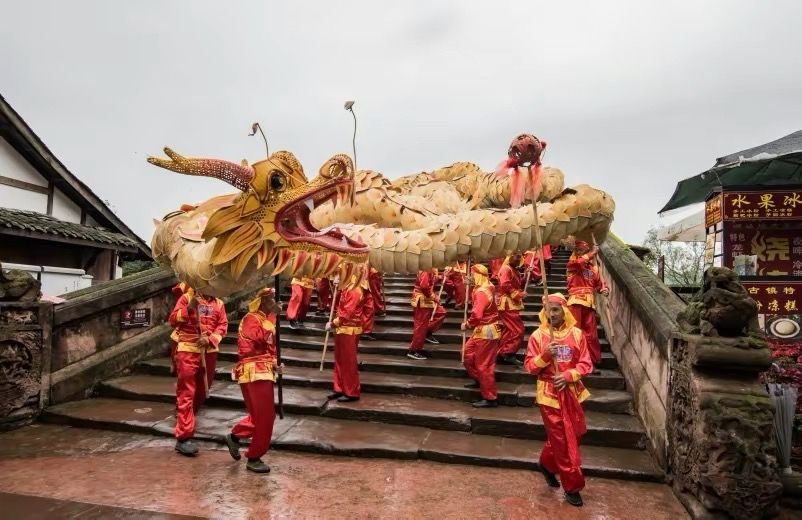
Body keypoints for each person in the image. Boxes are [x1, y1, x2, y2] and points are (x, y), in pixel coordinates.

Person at [524, 293, 592, 507]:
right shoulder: (538, 336)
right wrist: (545, 355)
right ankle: (572, 486)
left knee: (576, 433)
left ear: (564, 311)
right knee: (563, 440)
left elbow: (585, 364)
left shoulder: (578, 334)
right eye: (548, 309)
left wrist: (569, 375)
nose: (551, 314)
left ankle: (545, 463)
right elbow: (530, 367)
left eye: (556, 309)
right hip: (549, 396)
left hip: (572, 392)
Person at [225, 288, 282, 474]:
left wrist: (275, 364)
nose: (274, 302)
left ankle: (235, 436)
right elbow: (258, 340)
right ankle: (254, 456)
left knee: (261, 416)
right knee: (265, 416)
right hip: (253, 371)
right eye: (271, 300)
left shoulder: (265, 321)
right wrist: (272, 317)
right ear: (262, 302)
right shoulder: (251, 319)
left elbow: (270, 349)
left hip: (263, 371)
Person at [168, 288, 228, 456]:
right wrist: (189, 308)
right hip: (187, 349)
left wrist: (210, 339)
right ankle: (183, 436)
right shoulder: (187, 298)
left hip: (208, 351)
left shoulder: (219, 303)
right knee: (187, 391)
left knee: (202, 391)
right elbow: (172, 320)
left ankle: (186, 418)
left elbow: (222, 325)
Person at [461, 264, 502, 408]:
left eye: (472, 275)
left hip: (486, 331)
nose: (470, 277)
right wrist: (470, 285)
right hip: (481, 330)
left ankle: (490, 397)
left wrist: (467, 324)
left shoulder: (482, 292)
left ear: (478, 275)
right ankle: (479, 379)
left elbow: (477, 315)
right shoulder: (487, 285)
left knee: (484, 365)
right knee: (467, 354)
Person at [326, 266, 365, 402]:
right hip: (342, 329)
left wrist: (332, 323)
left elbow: (346, 314)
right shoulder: (346, 287)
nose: (336, 277)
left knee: (348, 362)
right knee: (339, 360)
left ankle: (351, 391)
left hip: (350, 329)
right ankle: (339, 387)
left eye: (338, 274)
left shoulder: (354, 289)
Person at [566, 241, 609, 366]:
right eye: (579, 250)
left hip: (589, 304)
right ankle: (574, 361)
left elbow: (598, 283)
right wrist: (592, 253)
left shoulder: (593, 268)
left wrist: (604, 289)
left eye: (584, 250)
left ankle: (591, 361)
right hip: (575, 303)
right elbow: (579, 263)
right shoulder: (572, 264)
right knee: (575, 332)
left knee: (591, 335)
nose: (582, 253)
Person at [407, 267, 446, 360]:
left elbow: (431, 280)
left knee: (441, 312)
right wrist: (434, 296)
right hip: (422, 300)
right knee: (420, 326)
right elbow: (424, 286)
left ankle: (427, 332)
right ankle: (414, 350)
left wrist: (441, 277)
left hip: (426, 299)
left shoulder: (429, 267)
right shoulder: (426, 268)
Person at [496, 253, 526, 366]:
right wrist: (518, 294)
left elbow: (517, 283)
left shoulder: (513, 270)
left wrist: (527, 274)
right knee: (517, 330)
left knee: (509, 330)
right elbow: (505, 285)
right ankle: (508, 353)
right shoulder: (506, 268)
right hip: (507, 303)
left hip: (511, 303)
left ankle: (502, 353)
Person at [360, 275, 377, 340]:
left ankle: (365, 330)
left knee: (369, 309)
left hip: (365, 284)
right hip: (358, 285)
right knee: (368, 309)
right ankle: (365, 330)